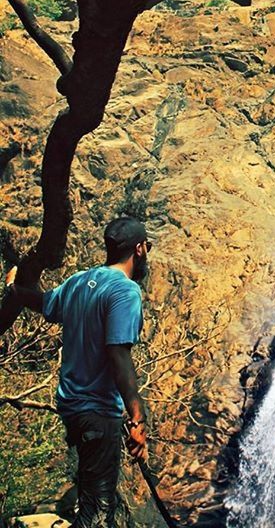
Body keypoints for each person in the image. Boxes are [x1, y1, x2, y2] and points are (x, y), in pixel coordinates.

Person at [7, 215, 152, 528]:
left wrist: (14, 290)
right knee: (98, 517)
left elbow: (45, 302)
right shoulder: (124, 292)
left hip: (72, 410)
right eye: (147, 247)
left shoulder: (77, 282)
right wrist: (138, 417)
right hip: (98, 414)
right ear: (139, 249)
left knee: (89, 504)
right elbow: (119, 356)